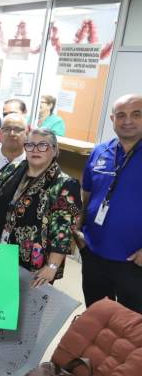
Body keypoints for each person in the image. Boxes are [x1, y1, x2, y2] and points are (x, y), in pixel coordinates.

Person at [0, 128, 81, 286]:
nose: (35, 150)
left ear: (55, 150)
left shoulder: (64, 184)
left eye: (43, 145)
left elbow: (63, 232)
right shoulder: (10, 170)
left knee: (21, 301)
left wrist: (52, 266)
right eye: (30, 145)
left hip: (31, 263)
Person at [74, 94, 142, 312]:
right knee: (96, 315)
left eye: (136, 114)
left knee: (132, 324)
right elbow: (87, 195)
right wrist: (78, 232)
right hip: (94, 255)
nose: (127, 121)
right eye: (121, 115)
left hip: (134, 261)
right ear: (112, 119)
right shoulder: (99, 151)